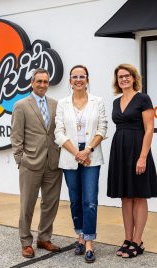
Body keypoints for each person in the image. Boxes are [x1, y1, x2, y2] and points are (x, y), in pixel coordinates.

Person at [54, 65, 107, 263]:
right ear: (70, 81)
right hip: (70, 155)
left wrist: (88, 150)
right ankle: (80, 236)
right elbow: (58, 132)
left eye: (82, 76)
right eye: (74, 77)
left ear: (87, 79)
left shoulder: (98, 101)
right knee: (76, 199)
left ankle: (89, 243)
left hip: (91, 155)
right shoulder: (62, 104)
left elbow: (103, 128)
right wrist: (77, 152)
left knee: (90, 200)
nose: (78, 80)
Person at [107, 64, 157, 258]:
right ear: (117, 80)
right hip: (120, 151)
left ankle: (138, 241)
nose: (124, 79)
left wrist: (143, 157)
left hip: (138, 150)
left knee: (139, 195)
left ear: (134, 77)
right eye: (120, 77)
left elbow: (150, 128)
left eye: (127, 76)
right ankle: (127, 239)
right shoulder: (116, 102)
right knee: (125, 196)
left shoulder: (143, 98)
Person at [10, 68, 62, 258]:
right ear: (32, 83)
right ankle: (26, 242)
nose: (42, 85)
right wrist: (20, 160)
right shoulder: (21, 105)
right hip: (30, 163)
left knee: (50, 203)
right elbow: (16, 137)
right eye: (39, 81)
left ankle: (44, 238)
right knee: (27, 205)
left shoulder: (56, 105)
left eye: (45, 82)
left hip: (53, 163)